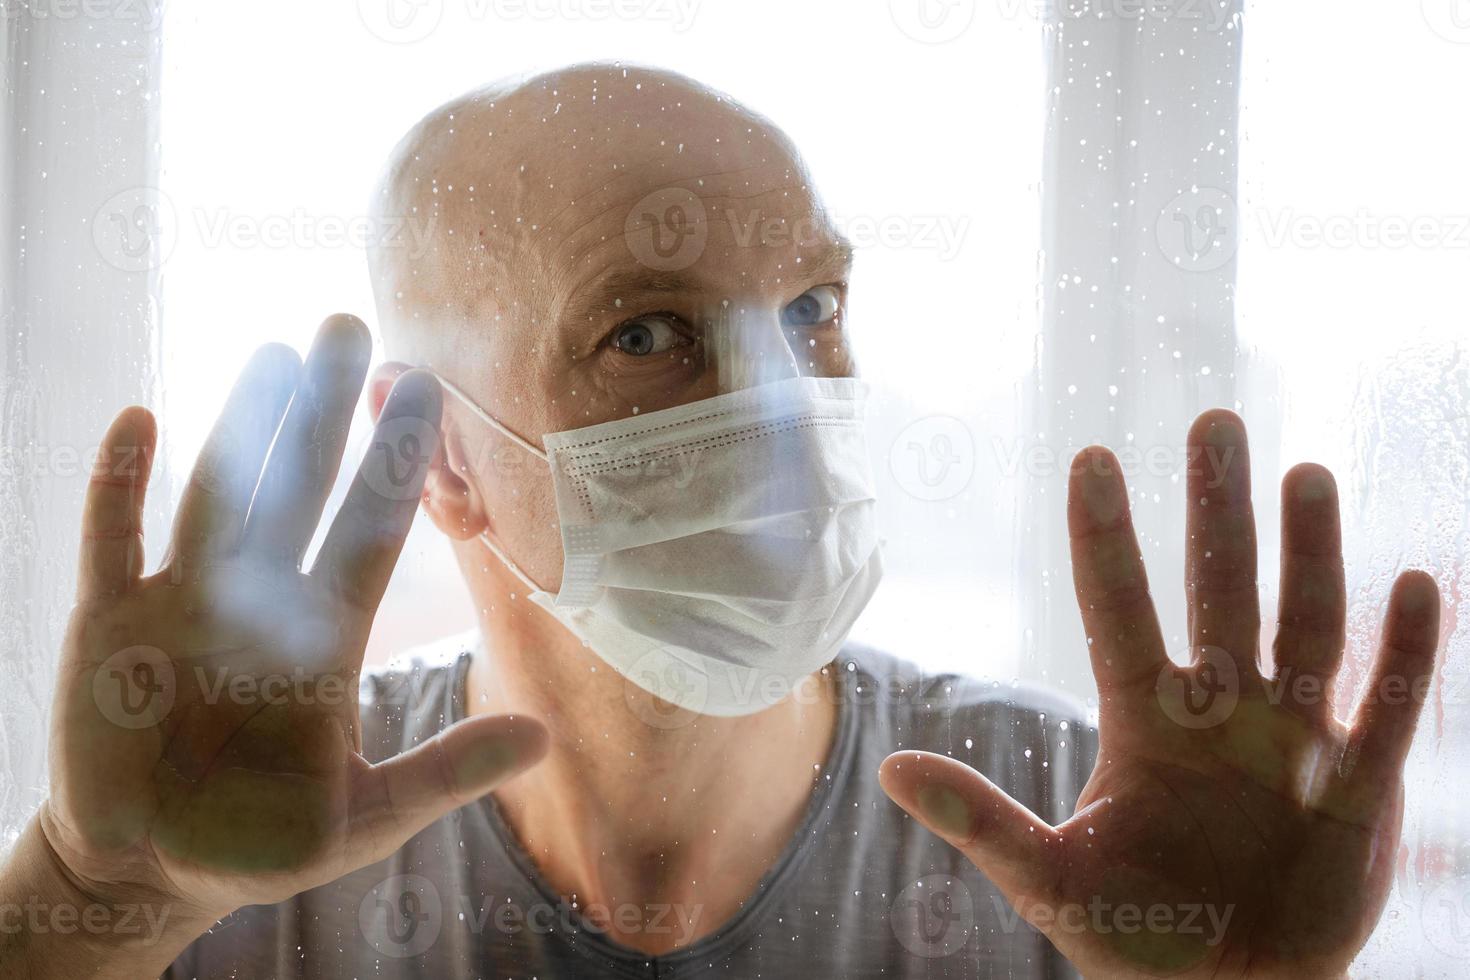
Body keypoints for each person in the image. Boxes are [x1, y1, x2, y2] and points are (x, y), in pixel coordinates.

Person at [0, 65, 1442, 979]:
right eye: (646, 333)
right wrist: (94, 899)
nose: (781, 411)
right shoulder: (243, 841)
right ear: (434, 452)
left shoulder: (1087, 823)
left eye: (812, 311)